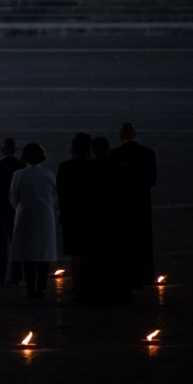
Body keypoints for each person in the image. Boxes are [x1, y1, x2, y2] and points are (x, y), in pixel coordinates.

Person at [79, 137, 131, 306]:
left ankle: (94, 291)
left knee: (94, 256)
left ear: (93, 151)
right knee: (115, 256)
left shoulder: (86, 170)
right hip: (115, 217)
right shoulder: (120, 170)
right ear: (108, 150)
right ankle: (117, 291)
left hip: (93, 219)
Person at [9, 143, 58, 299]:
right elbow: (54, 196)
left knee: (27, 254)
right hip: (45, 216)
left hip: (26, 215)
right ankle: (41, 287)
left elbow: (13, 197)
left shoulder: (19, 174)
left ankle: (30, 287)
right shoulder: (50, 175)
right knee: (43, 254)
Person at [110, 123, 157, 288]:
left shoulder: (114, 154)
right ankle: (143, 276)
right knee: (142, 240)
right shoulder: (148, 153)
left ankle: (124, 275)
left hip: (122, 203)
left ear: (120, 136)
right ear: (135, 135)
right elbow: (152, 180)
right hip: (142, 202)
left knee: (123, 240)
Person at [0, 137, 26, 286]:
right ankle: (16, 276)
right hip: (16, 212)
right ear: (16, 149)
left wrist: (1, 193)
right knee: (16, 246)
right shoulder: (22, 167)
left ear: (2, 149)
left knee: (0, 247)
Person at [56, 133, 94, 290]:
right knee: (90, 251)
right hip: (92, 215)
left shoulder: (65, 167)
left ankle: (77, 284)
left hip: (71, 215)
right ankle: (89, 283)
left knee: (75, 253)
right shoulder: (95, 166)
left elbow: (60, 192)